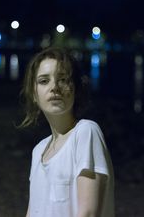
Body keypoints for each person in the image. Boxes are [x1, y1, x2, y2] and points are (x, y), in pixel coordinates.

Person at [19, 47, 115, 217]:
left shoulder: (86, 132)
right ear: (34, 93)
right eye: (43, 81)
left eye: (63, 79)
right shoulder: (39, 150)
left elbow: (88, 213)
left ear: (76, 89)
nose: (54, 87)